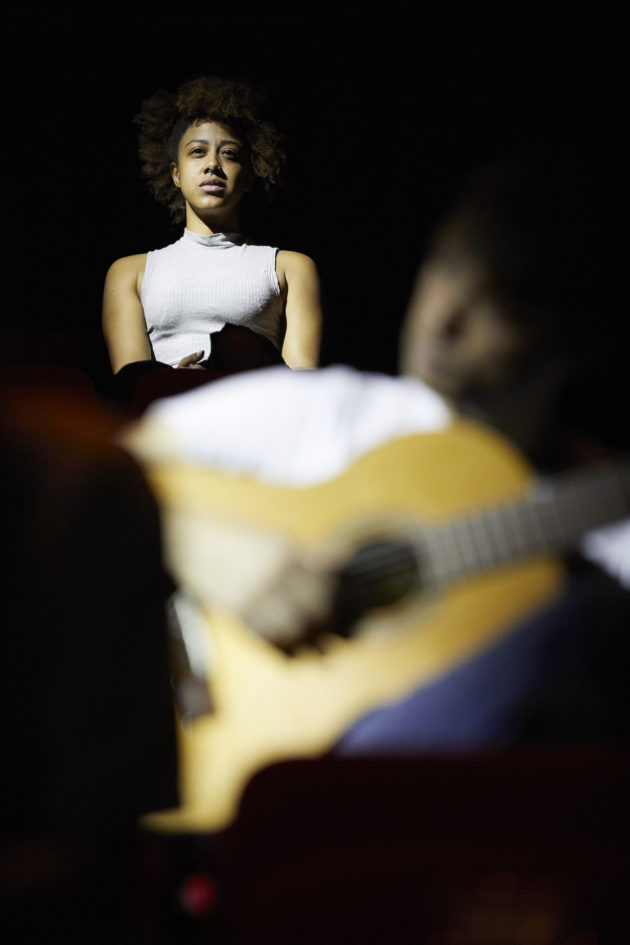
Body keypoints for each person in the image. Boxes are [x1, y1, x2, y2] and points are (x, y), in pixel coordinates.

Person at [120, 147, 630, 771]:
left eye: (498, 303)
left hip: (368, 787)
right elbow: (103, 476)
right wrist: (206, 548)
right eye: (446, 268)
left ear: (575, 343)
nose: (444, 319)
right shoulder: (338, 409)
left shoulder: (609, 532)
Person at [102, 75, 323, 404]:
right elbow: (131, 386)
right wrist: (177, 381)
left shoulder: (290, 267)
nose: (212, 165)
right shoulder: (130, 272)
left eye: (230, 154)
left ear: (249, 175)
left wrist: (223, 379)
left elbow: (303, 389)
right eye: (197, 152)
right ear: (175, 173)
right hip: (169, 418)